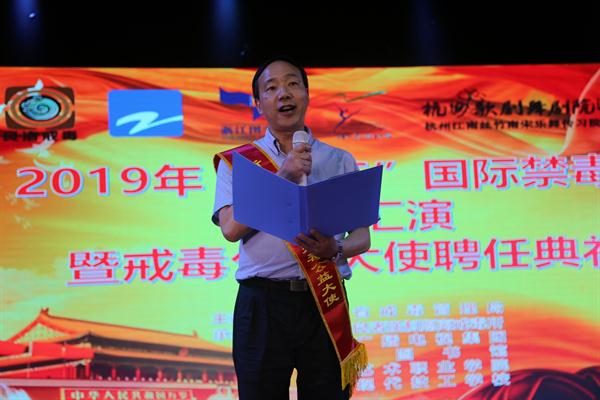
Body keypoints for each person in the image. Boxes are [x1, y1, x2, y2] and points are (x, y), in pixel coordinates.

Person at [212, 56, 370, 400]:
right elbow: (231, 229)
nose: (283, 93)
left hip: (323, 299)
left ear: (307, 95)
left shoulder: (339, 159)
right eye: (271, 88)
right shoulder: (238, 163)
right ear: (258, 104)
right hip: (262, 304)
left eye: (293, 84)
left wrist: (335, 249)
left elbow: (362, 237)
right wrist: (283, 174)